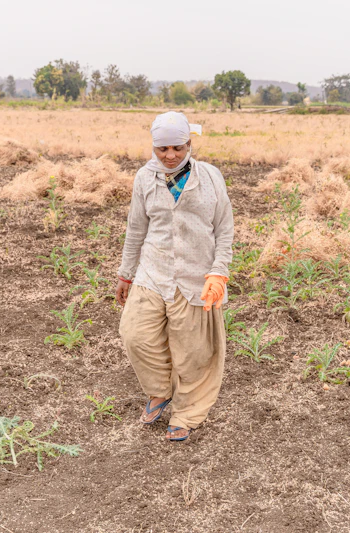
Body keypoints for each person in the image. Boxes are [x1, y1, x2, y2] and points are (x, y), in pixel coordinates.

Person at [116, 111, 234, 442]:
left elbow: (224, 228)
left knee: (194, 351)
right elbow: (136, 228)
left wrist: (218, 272)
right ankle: (159, 390)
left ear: (189, 144)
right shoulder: (144, 178)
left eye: (178, 148)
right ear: (153, 148)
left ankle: (186, 413)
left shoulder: (210, 177)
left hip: (197, 276)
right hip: (153, 272)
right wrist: (126, 274)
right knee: (134, 333)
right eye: (162, 149)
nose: (170, 156)